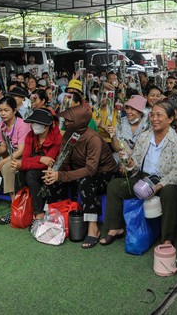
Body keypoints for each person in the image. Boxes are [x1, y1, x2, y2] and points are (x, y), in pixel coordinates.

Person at [101, 101, 177, 247]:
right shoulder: (145, 136)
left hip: (164, 183)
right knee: (115, 186)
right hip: (144, 179)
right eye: (152, 115)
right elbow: (136, 161)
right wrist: (129, 162)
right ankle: (115, 227)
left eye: (159, 115)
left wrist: (157, 187)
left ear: (170, 119)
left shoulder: (176, 141)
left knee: (170, 192)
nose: (154, 119)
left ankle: (167, 238)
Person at [46, 104, 119, 248]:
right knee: (53, 181)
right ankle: (57, 221)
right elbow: (63, 159)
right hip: (81, 171)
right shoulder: (68, 135)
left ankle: (93, 228)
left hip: (105, 174)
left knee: (86, 182)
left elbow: (91, 170)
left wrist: (61, 175)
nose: (64, 123)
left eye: (68, 121)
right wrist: (53, 171)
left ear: (80, 121)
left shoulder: (93, 139)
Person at [19, 108, 62, 222]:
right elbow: (25, 158)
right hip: (37, 164)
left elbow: (49, 162)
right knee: (19, 173)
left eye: (38, 123)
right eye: (33, 123)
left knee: (31, 175)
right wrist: (41, 158)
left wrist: (26, 163)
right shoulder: (30, 135)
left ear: (47, 126)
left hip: (51, 169)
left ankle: (39, 213)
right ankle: (21, 208)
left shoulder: (57, 137)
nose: (35, 126)